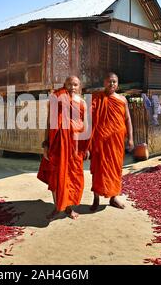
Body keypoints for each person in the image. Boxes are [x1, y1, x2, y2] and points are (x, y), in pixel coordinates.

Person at [37, 76, 87, 220]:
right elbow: (49, 123)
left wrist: (86, 147)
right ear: (64, 85)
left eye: (75, 84)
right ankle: (57, 207)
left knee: (72, 178)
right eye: (69, 84)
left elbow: (85, 126)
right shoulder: (55, 100)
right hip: (57, 146)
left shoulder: (82, 103)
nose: (72, 87)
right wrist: (46, 144)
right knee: (56, 177)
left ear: (79, 87)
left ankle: (69, 208)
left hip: (75, 148)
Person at [88, 72, 134, 211]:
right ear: (104, 83)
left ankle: (114, 197)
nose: (111, 84)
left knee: (115, 169)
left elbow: (127, 119)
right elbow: (88, 119)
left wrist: (131, 138)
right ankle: (96, 199)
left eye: (114, 81)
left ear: (117, 84)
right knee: (98, 169)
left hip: (116, 141)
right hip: (99, 140)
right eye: (109, 81)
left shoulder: (122, 100)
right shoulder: (96, 98)